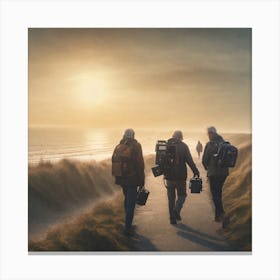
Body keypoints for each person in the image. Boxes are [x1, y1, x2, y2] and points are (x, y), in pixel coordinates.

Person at [112, 129, 145, 236]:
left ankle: (128, 224)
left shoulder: (118, 146)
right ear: (133, 136)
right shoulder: (136, 146)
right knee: (131, 203)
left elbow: (113, 160)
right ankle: (127, 228)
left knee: (127, 200)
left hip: (122, 178)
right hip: (132, 178)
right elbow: (140, 164)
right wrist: (142, 180)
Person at [164, 130, 200, 225]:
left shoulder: (166, 145)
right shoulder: (183, 146)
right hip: (180, 176)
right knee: (182, 195)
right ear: (181, 137)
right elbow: (189, 161)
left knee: (171, 198)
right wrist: (195, 171)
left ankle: (172, 218)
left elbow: (160, 160)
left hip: (169, 176)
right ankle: (176, 210)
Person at [202, 126, 229, 222]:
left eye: (208, 133)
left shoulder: (210, 145)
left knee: (215, 195)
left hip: (214, 173)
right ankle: (218, 216)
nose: (208, 135)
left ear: (210, 133)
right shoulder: (224, 142)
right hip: (224, 173)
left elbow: (204, 160)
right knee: (218, 193)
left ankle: (222, 214)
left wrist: (206, 168)